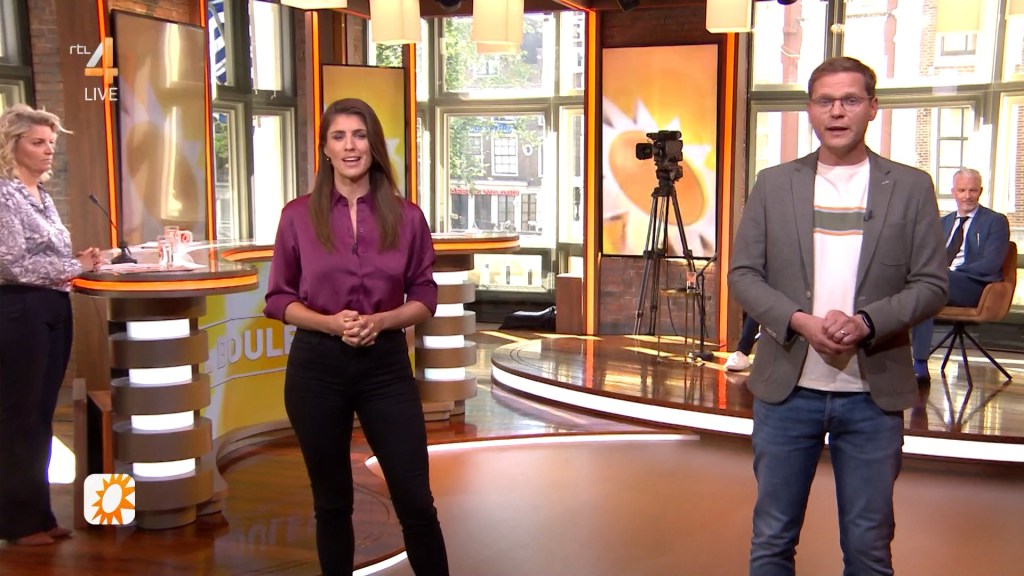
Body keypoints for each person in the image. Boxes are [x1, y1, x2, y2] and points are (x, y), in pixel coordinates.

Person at [728, 57, 948, 575]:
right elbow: (742, 275)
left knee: (869, 547)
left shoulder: (911, 186)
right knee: (772, 539)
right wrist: (799, 320)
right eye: (825, 101)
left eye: (850, 100)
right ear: (810, 110)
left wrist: (868, 322)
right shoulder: (773, 184)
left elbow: (932, 284)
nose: (837, 112)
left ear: (872, 108)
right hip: (787, 393)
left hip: (873, 397)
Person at [264, 98, 449, 576]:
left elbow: (425, 295)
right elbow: (279, 299)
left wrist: (382, 321)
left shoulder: (407, 217)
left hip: (385, 368)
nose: (350, 146)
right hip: (316, 369)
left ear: (374, 145)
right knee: (331, 503)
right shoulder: (297, 216)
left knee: (415, 500)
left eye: (360, 135)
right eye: (339, 136)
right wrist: (330, 323)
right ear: (325, 148)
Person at [0, 105, 101, 546]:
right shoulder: (4, 195)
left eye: (51, 144)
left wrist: (79, 261)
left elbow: (48, 257)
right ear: (13, 145)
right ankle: (17, 524)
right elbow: (11, 263)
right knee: (19, 416)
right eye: (38, 143)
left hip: (53, 306)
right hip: (19, 310)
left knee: (42, 414)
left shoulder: (41, 194)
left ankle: (40, 515)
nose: (48, 152)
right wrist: (73, 266)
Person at [909, 168, 1010, 381]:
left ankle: (919, 363)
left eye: (973, 190)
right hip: (940, 284)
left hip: (975, 285)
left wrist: (949, 272)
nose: (967, 196)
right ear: (953, 192)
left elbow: (991, 264)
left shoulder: (995, 221)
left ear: (980, 191)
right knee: (920, 290)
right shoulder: (942, 223)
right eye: (962, 190)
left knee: (927, 285)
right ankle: (907, 361)